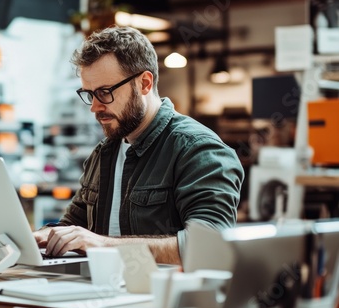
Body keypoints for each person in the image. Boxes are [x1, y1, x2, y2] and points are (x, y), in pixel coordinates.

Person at [33, 25, 244, 265]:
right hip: (100, 294)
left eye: (105, 92)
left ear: (144, 83)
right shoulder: (104, 153)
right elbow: (73, 226)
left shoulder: (197, 150)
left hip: (163, 299)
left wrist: (101, 244)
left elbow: (209, 248)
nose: (95, 107)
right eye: (90, 94)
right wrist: (40, 237)